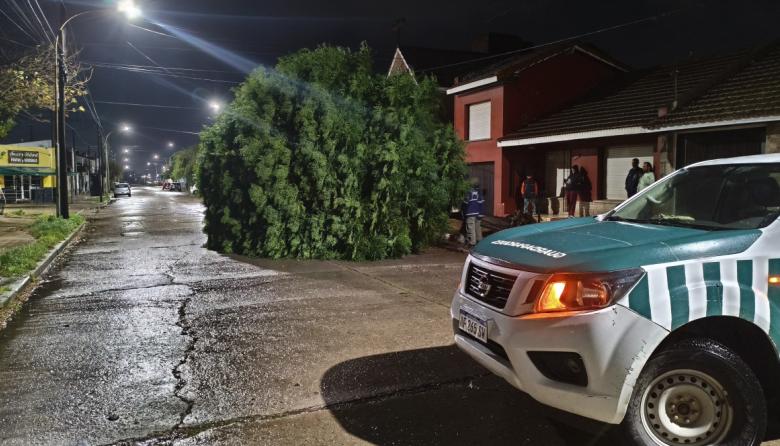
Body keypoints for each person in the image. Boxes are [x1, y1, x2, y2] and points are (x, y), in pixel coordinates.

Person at [462, 179, 485, 246]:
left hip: (470, 212)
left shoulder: (468, 192)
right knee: (477, 228)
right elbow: (481, 203)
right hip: (477, 213)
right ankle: (479, 241)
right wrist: (481, 214)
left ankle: (472, 243)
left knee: (471, 228)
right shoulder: (479, 192)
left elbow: (465, 203)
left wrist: (463, 212)